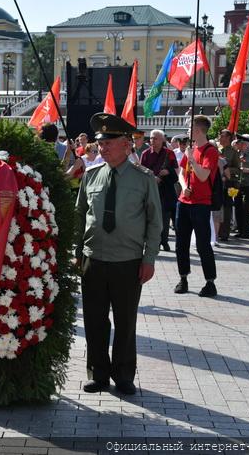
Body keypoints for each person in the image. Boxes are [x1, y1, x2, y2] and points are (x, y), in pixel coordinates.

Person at [75, 112, 162, 395]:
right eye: (100, 143)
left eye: (109, 143)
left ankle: (124, 375)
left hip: (128, 262)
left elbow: (154, 222)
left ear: (126, 144)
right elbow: (80, 216)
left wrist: (149, 260)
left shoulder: (143, 179)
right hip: (94, 258)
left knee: (125, 320)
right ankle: (98, 373)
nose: (102, 148)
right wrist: (78, 253)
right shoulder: (91, 175)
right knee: (94, 319)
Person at [174, 115, 220, 297]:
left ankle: (210, 282)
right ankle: (183, 277)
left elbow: (203, 176)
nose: (187, 130)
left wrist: (192, 159)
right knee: (180, 243)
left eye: (190, 127)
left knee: (202, 245)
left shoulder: (210, 151)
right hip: (184, 202)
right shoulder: (190, 150)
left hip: (201, 204)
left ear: (198, 130)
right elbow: (180, 173)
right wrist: (184, 187)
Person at [140, 129, 179, 251]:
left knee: (164, 217)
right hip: (151, 189)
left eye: (155, 138)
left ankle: (164, 241)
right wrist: (152, 177)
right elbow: (141, 171)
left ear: (162, 140)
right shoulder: (145, 154)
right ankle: (152, 242)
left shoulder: (169, 153)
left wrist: (168, 172)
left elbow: (176, 173)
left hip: (165, 190)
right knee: (150, 217)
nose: (152, 140)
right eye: (151, 138)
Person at [217, 130, 240, 241]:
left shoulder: (234, 152)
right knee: (217, 206)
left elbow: (237, 169)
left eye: (222, 136)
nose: (220, 138)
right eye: (220, 136)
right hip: (217, 182)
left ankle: (225, 232)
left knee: (227, 207)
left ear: (228, 138)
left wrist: (225, 168)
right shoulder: (216, 150)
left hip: (230, 183)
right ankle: (217, 231)